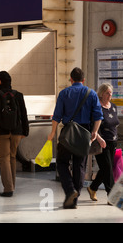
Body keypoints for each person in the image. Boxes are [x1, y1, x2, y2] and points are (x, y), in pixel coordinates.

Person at [48, 67, 103, 209]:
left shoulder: (64, 93)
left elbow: (56, 116)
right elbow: (98, 116)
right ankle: (74, 200)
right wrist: (95, 132)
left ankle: (69, 190)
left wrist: (53, 133)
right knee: (80, 166)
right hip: (85, 133)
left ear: (71, 79)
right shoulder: (91, 93)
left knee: (61, 162)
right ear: (83, 80)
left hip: (68, 132)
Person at [0, 71, 29, 197]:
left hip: (1, 132)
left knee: (4, 159)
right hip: (16, 131)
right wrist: (25, 131)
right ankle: (12, 186)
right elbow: (24, 114)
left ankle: (8, 188)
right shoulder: (18, 95)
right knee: (12, 158)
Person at [87, 83, 118, 201]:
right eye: (107, 93)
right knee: (108, 169)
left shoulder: (113, 107)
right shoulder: (96, 107)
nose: (110, 94)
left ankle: (92, 188)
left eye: (111, 92)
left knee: (106, 168)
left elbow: (114, 124)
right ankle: (112, 197)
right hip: (100, 142)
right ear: (101, 94)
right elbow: (92, 125)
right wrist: (99, 138)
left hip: (112, 142)